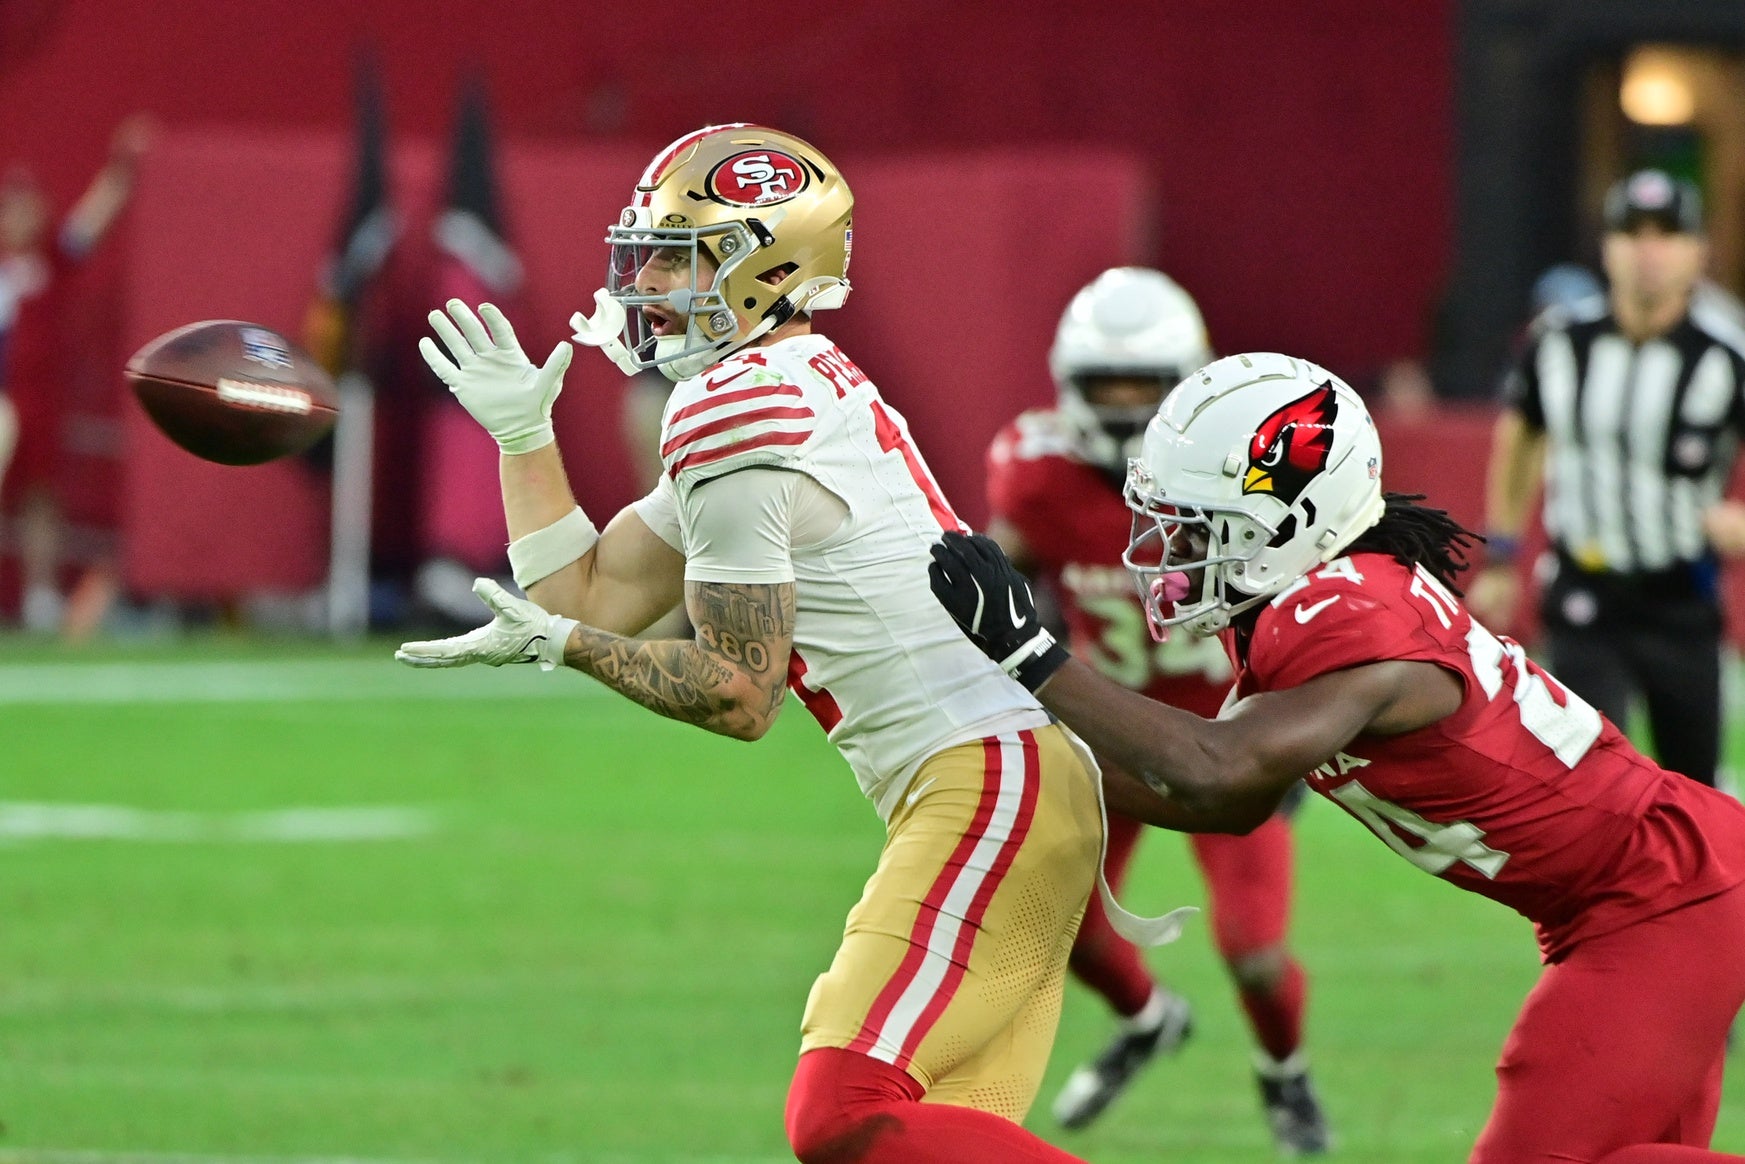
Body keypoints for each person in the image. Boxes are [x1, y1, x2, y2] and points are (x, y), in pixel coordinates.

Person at [395, 123, 1191, 1164]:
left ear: (768, 273)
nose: (647, 286)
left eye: (681, 261)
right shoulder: (776, 385)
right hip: (1007, 779)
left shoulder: (736, 411)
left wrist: (565, 650)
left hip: (986, 779)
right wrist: (522, 440)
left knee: (841, 1113)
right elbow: (585, 590)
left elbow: (736, 693)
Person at [927, 351, 1745, 1164]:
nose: (1168, 550)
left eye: (1195, 523)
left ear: (1285, 521)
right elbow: (1231, 802)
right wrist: (1020, 745)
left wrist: (1030, 655)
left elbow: (1213, 769)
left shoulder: (1345, 615)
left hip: (1657, 898)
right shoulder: (1317, 597)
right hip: (1647, 891)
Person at [985, 267, 1328, 1151]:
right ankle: (1148, 1019)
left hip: (1226, 737)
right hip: (1107, 732)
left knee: (1254, 949)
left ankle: (1283, 1074)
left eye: (1147, 385)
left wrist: (1291, 728)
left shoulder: (1240, 475)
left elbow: (1307, 597)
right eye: (1111, 387)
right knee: (1061, 930)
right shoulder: (1038, 476)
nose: (1130, 403)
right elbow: (1004, 566)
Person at [1468, 169, 1745, 788]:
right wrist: (1502, 554)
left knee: (1695, 788)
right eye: (1632, 233)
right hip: (1585, 592)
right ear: (1607, 248)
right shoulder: (1560, 344)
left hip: (1683, 597)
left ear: (1698, 251)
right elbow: (1519, 439)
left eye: (1667, 234)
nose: (1649, 250)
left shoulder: (1725, 355)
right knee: (1588, 783)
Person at [0, 114, 151, 634]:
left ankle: (41, 595)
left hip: (37, 399)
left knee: (41, 498)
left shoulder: (52, 261)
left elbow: (93, 219)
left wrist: (123, 166)